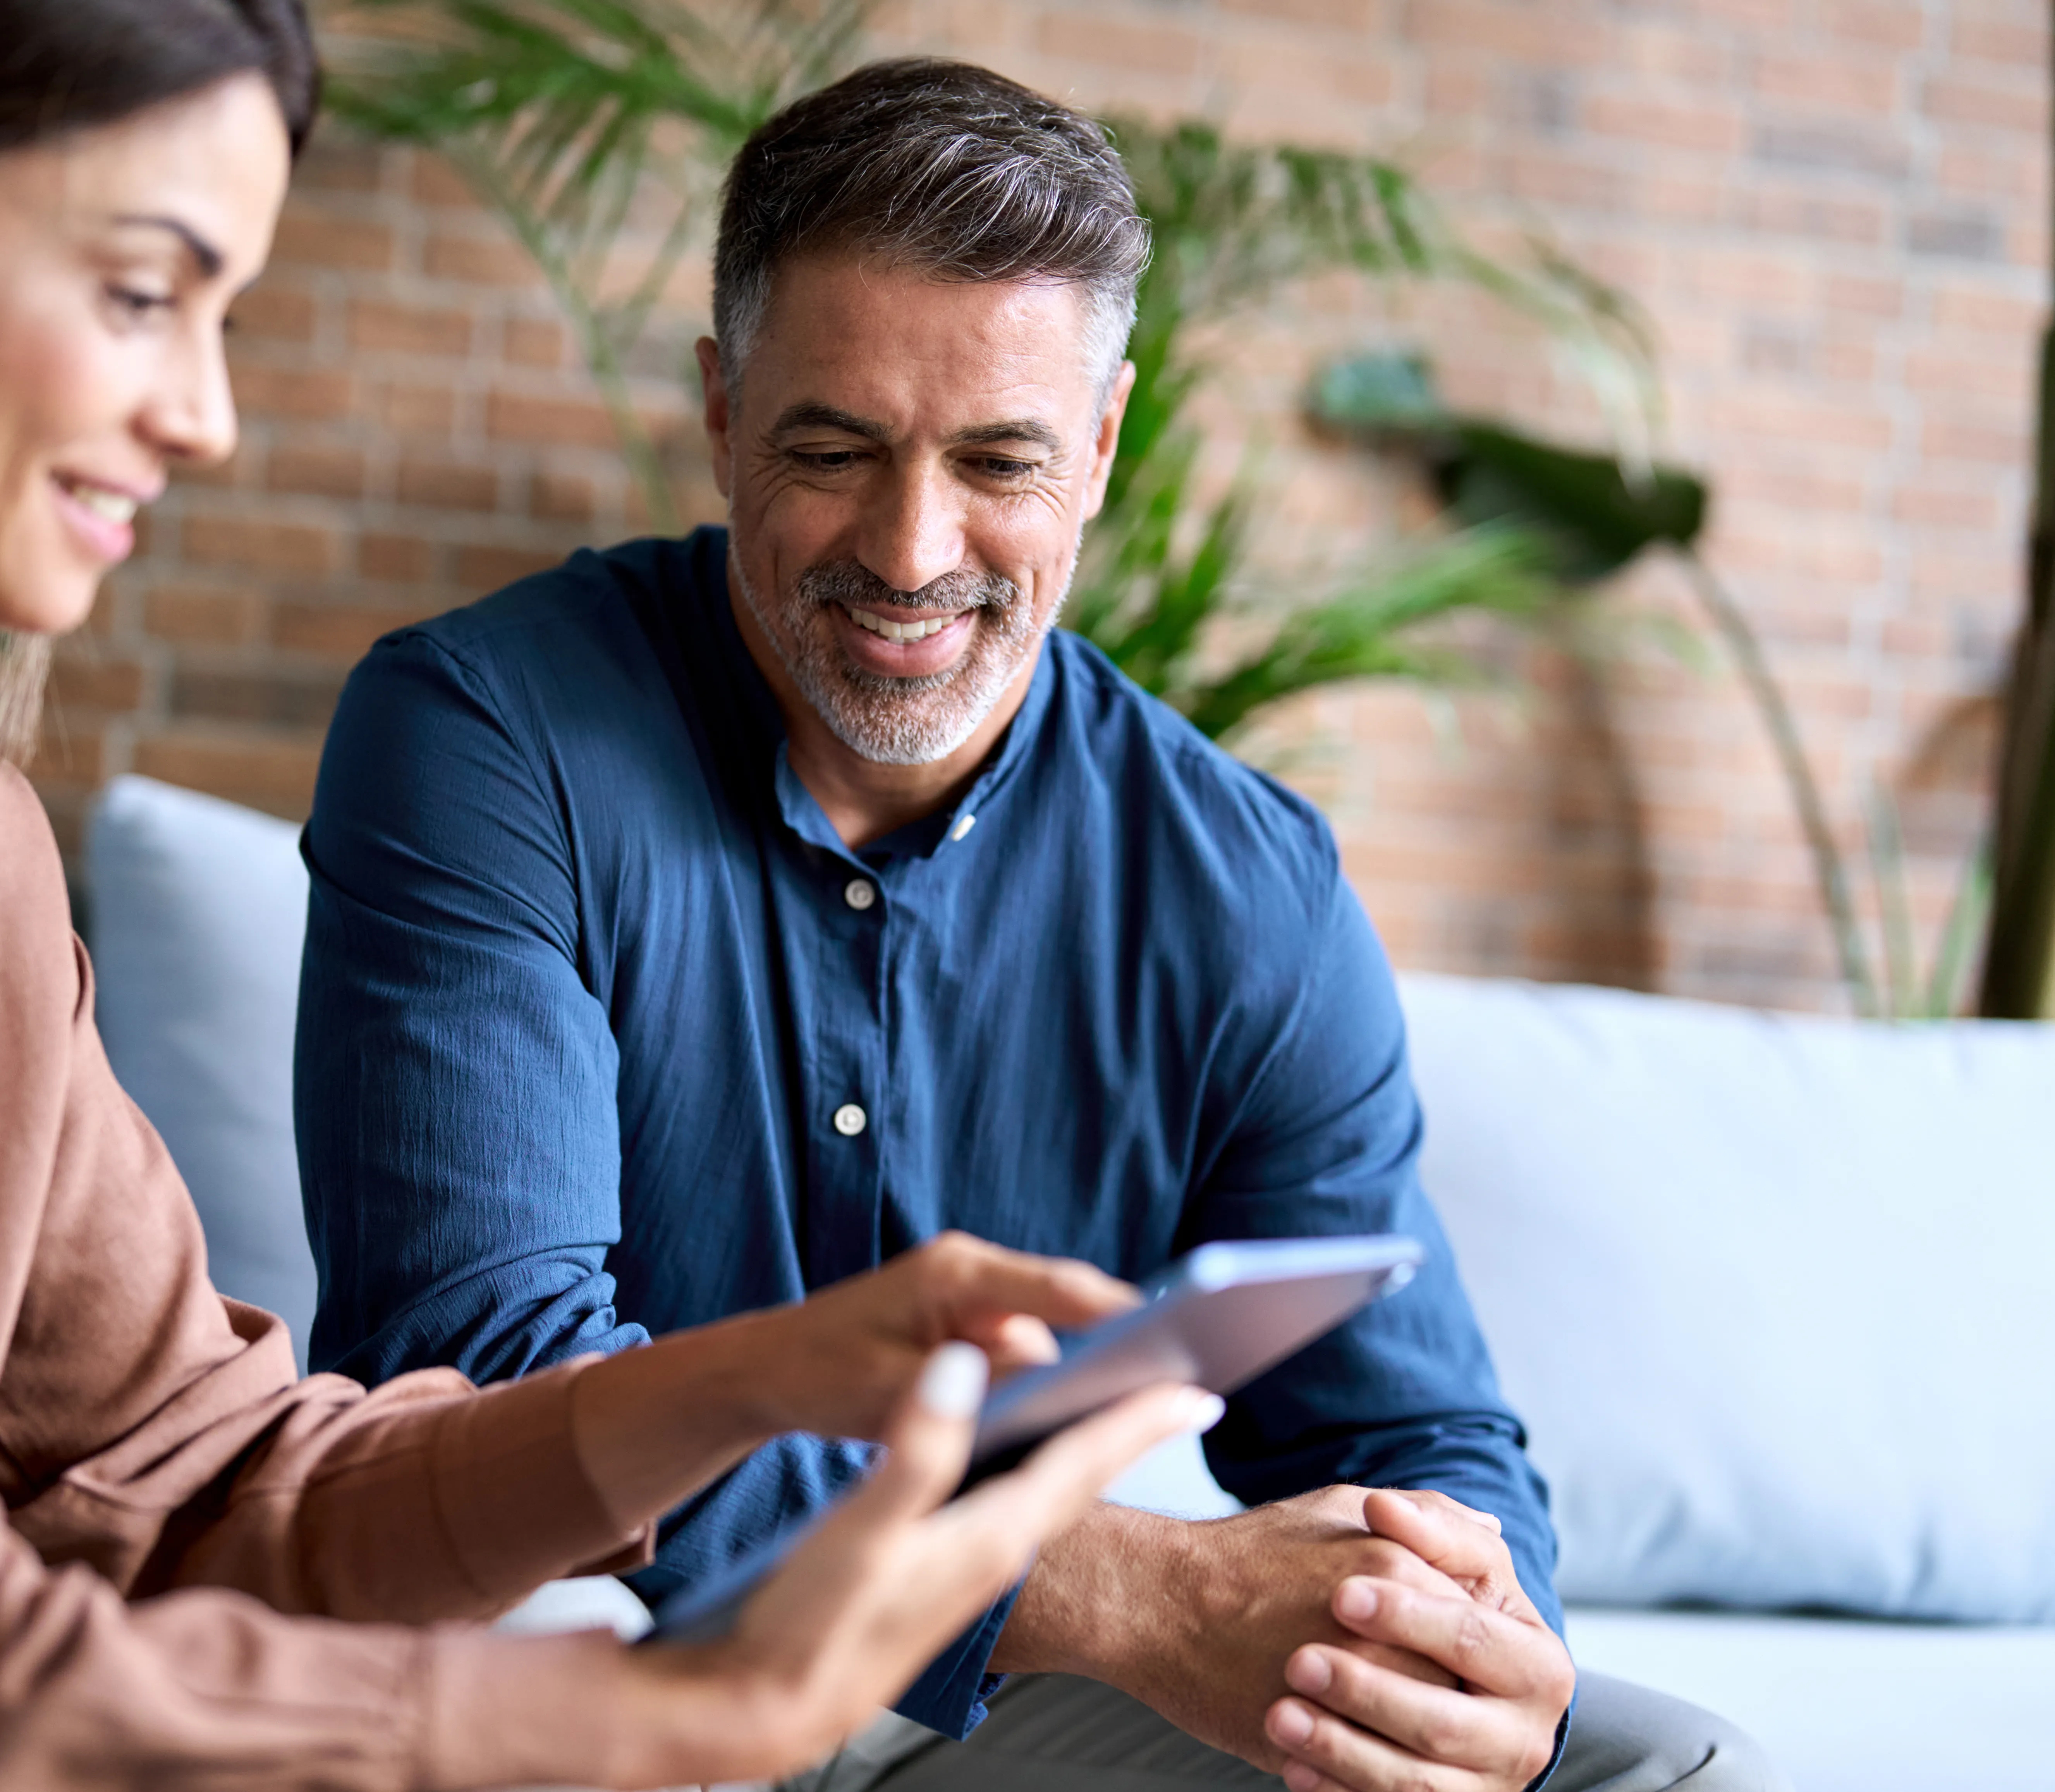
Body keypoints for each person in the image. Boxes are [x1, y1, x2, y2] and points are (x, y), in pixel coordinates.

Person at [0, 8, 1223, 1789]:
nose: (207, 415)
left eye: (224, 314)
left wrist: (746, 1381)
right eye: (138, 292)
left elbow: (191, 1476)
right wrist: (680, 1715)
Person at [298, 57, 1785, 1792]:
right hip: (582, 1675)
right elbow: (484, 1376)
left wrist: (1466, 1649)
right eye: (833, 448)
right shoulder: (484, 733)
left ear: (1099, 447)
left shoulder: (1244, 885)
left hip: (982, 1732)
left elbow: (1417, 1429)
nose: (912, 549)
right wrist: (1129, 1593)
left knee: (1662, 1774)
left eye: (997, 457)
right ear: (721, 416)